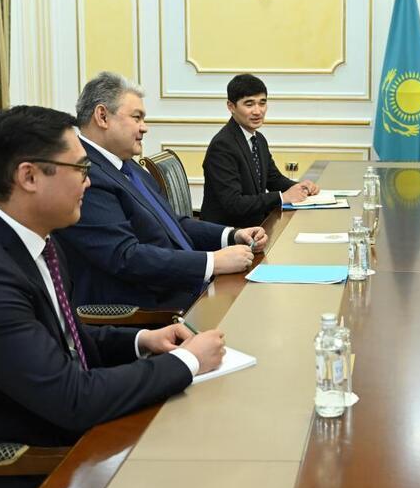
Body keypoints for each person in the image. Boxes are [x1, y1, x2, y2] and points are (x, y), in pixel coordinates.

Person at [0, 106, 227, 488]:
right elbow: (73, 400)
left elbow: (62, 337)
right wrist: (187, 362)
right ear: (29, 176)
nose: (89, 183)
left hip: (51, 434)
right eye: (81, 169)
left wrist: (143, 340)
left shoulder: (35, 241)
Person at [55, 72, 267, 310]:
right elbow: (125, 257)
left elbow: (172, 223)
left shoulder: (126, 164)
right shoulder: (86, 175)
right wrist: (212, 262)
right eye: (137, 117)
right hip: (152, 308)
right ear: (102, 116)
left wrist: (231, 235)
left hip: (183, 286)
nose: (144, 128)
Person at [200, 73, 321, 228]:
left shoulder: (258, 139)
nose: (257, 111)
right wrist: (282, 197)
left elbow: (274, 179)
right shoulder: (222, 146)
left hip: (255, 226)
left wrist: (301, 187)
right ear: (231, 106)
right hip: (230, 232)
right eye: (249, 104)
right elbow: (234, 204)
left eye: (262, 103)